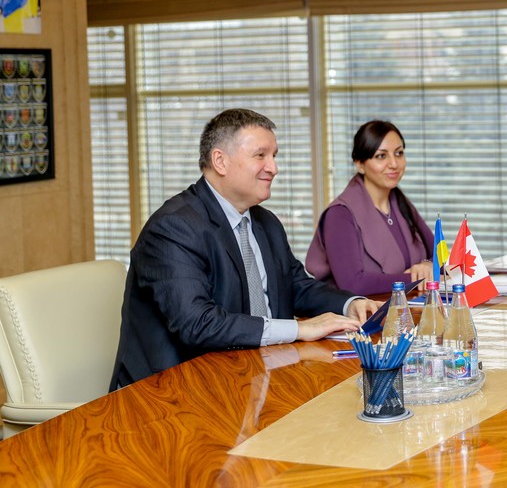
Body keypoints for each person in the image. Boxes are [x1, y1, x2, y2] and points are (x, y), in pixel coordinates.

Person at [110, 108, 380, 389]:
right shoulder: (173, 227)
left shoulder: (265, 222)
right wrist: (300, 328)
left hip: (254, 374)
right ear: (220, 161)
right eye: (260, 155)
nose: (273, 167)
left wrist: (350, 304)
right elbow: (197, 323)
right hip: (172, 391)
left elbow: (296, 287)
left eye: (274, 156)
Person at [305, 120, 434, 296]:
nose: (394, 164)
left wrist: (427, 265)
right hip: (364, 312)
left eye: (399, 153)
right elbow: (353, 284)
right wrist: (415, 278)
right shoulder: (340, 214)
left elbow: (439, 256)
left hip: (407, 307)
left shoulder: (400, 202)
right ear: (359, 164)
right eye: (381, 156)